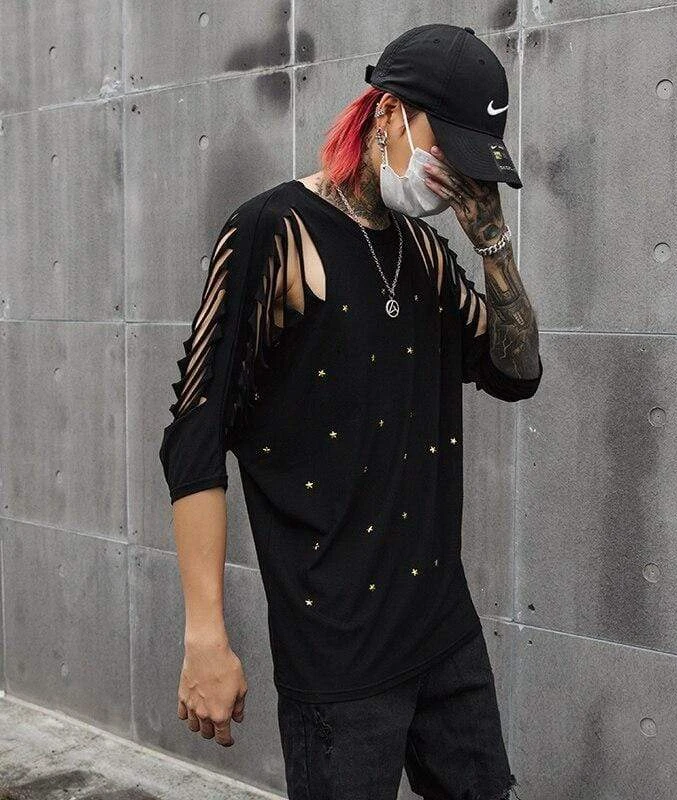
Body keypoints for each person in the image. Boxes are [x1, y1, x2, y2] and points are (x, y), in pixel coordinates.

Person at [158, 22, 542, 800]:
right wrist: (205, 637)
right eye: (447, 150)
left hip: (443, 630)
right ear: (389, 113)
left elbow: (517, 373)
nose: (452, 179)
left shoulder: (426, 255)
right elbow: (194, 435)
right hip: (338, 653)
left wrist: (493, 243)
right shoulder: (274, 233)